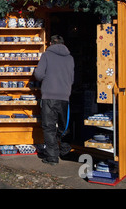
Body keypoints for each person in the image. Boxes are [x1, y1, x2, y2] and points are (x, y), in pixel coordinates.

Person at [34, 35, 75, 165]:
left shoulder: (46, 55)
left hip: (49, 97)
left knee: (49, 127)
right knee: (64, 126)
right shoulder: (70, 58)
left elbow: (39, 75)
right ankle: (65, 152)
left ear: (50, 43)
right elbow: (72, 79)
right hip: (64, 97)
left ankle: (52, 157)